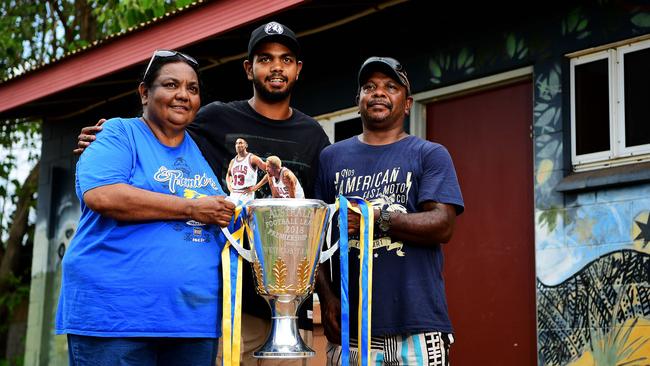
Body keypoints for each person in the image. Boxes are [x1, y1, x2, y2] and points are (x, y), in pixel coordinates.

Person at [74, 21, 331, 366]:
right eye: (265, 58)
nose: (275, 67)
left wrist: (327, 296)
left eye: (285, 59)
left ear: (298, 70)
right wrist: (107, 136)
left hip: (267, 307)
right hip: (221, 306)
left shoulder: (313, 134)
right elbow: (154, 134)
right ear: (248, 68)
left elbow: (318, 224)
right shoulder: (211, 119)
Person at [56, 50, 235, 365]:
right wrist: (192, 209)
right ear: (144, 93)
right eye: (170, 84)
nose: (183, 95)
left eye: (192, 89)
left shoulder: (200, 152)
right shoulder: (118, 133)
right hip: (117, 318)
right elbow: (103, 195)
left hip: (193, 324)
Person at [315, 57, 465, 365]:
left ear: (407, 103)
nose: (378, 93)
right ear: (358, 101)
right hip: (351, 329)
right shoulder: (331, 158)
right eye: (369, 87)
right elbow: (314, 236)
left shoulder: (430, 154)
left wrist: (374, 219)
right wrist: (327, 297)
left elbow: (443, 225)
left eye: (390, 87)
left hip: (418, 326)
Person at [226, 138, 267, 204]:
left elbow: (270, 172)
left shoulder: (253, 158)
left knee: (244, 213)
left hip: (246, 194)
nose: (238, 145)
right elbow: (229, 175)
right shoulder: (233, 161)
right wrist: (229, 185)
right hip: (234, 193)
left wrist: (255, 187)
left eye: (240, 143)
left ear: (246, 145)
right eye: (236, 143)